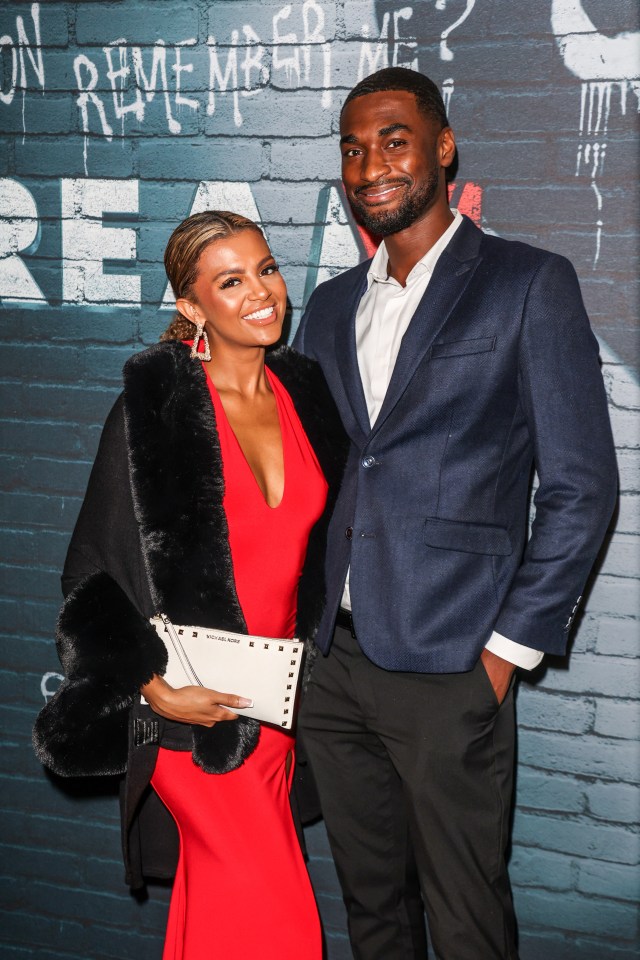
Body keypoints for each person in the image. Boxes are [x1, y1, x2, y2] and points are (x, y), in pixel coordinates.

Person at [293, 67, 618, 960]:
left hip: (450, 668)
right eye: (352, 150)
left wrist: (503, 657)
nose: (370, 167)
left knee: (469, 920)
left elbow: (583, 484)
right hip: (334, 667)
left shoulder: (525, 283)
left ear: (443, 149)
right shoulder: (326, 308)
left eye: (393, 140)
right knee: (374, 912)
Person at [33, 211, 347, 960]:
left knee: (216, 923)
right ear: (191, 306)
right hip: (195, 722)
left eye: (266, 270)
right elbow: (91, 572)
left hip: (276, 716)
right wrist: (152, 689)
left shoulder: (306, 397)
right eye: (230, 281)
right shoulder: (157, 409)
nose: (261, 293)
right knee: (286, 934)